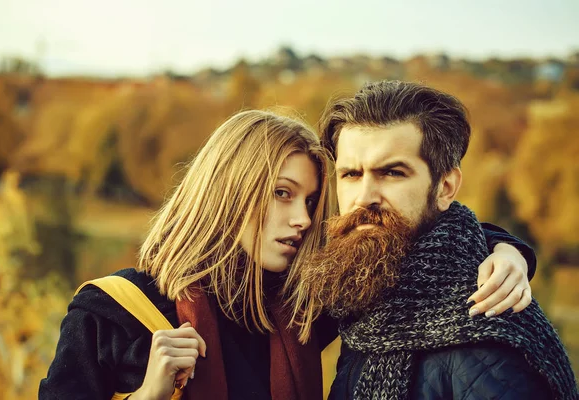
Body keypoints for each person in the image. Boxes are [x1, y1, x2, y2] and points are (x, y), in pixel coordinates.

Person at [40, 109, 537, 400]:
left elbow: (408, 235)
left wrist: (505, 249)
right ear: (227, 190)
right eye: (282, 194)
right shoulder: (111, 312)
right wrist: (150, 395)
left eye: (309, 201)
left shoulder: (302, 306)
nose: (302, 219)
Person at [291, 81, 578, 399]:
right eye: (351, 175)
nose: (364, 197)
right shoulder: (361, 287)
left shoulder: (486, 332)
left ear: (445, 187)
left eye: (393, 173)